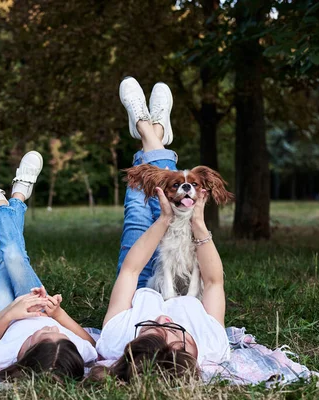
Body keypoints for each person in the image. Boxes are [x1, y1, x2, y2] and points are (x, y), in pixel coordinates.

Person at [94, 77, 229, 382]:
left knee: (137, 210)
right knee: (154, 198)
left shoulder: (116, 340)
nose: (166, 319)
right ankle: (150, 131)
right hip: (179, 275)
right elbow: (213, 282)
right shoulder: (212, 344)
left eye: (154, 330)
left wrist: (163, 221)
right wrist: (196, 220)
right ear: (194, 352)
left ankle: (148, 131)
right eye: (177, 333)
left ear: (134, 344)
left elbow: (129, 271)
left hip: (137, 283)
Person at [0, 156, 98, 381]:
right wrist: (56, 314)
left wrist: (10, 315)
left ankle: (14, 198)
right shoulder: (73, 351)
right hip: (41, 305)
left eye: (44, 334)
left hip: (5, 316)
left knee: (5, 257)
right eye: (60, 335)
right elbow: (91, 342)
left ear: (27, 353)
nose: (53, 330)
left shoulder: (6, 356)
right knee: (14, 256)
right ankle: (0, 201)